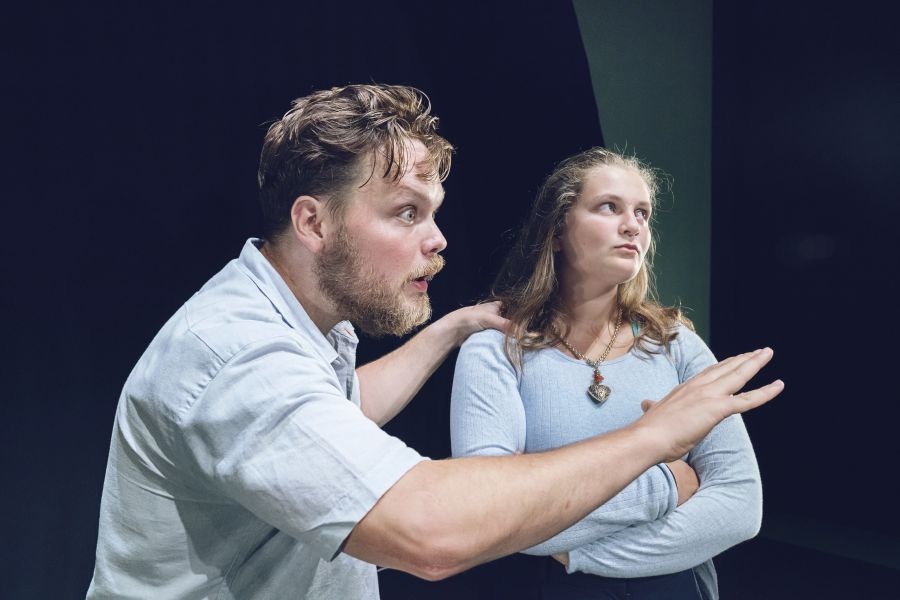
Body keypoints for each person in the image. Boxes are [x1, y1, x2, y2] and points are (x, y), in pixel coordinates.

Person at [87, 85, 782, 600]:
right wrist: (653, 445)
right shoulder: (238, 353)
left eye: (435, 213)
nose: (438, 239)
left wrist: (451, 327)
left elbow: (340, 407)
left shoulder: (310, 327)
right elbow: (434, 534)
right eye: (405, 213)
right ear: (313, 223)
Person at [450, 148, 761, 599]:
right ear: (557, 230)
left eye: (642, 213)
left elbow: (740, 506)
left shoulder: (675, 344)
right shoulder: (496, 348)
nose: (633, 225)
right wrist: (667, 486)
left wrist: (581, 555)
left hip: (675, 584)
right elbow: (485, 512)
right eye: (609, 207)